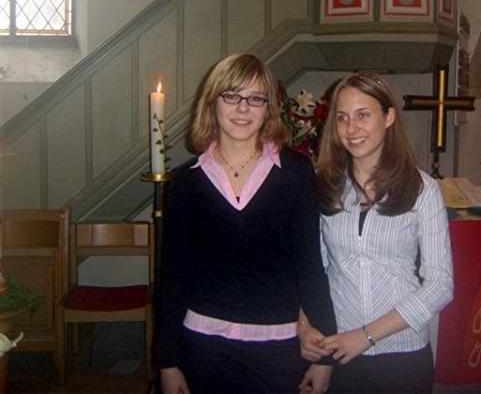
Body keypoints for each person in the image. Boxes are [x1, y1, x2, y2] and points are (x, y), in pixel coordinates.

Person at [156, 53, 337, 394]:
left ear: (269, 109)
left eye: (255, 98)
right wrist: (167, 361)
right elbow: (174, 276)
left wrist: (324, 355)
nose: (242, 108)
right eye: (231, 96)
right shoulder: (186, 183)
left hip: (277, 348)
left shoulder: (296, 174)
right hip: (202, 346)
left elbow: (310, 267)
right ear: (212, 103)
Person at [309, 72, 454, 393]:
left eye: (363, 115)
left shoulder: (422, 189)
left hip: (402, 352)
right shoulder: (327, 187)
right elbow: (316, 272)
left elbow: (441, 285)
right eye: (342, 118)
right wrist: (315, 343)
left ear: (388, 117)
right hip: (340, 347)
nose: (351, 128)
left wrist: (367, 335)